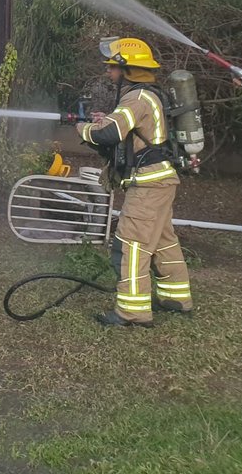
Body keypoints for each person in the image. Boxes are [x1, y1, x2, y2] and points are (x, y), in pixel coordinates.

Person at [78, 37, 193, 327]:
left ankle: (132, 312)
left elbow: (108, 135)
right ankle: (176, 298)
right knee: (164, 242)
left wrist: (83, 128)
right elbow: (126, 130)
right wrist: (104, 121)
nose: (108, 73)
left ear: (128, 69)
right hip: (161, 180)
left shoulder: (136, 98)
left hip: (149, 184)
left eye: (112, 68)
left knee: (131, 245)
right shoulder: (150, 95)